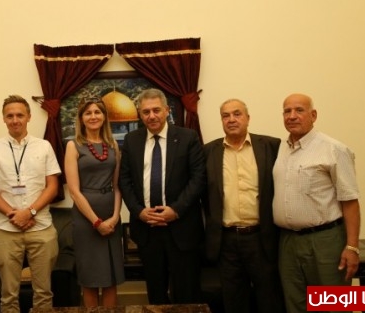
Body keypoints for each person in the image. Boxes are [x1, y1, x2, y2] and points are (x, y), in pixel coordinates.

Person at [273, 93, 361, 313]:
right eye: (287, 111)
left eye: (299, 110)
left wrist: (352, 247)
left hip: (325, 241)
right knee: (295, 304)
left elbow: (350, 201)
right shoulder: (281, 149)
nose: (292, 116)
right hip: (288, 242)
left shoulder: (333, 149)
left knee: (335, 305)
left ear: (313, 115)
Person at [119, 88, 206, 304]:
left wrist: (175, 210)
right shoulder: (131, 140)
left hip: (182, 228)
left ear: (167, 110)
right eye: (146, 112)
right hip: (147, 230)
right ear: (140, 115)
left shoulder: (187, 137)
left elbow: (198, 179)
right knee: (156, 295)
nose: (152, 116)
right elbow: (125, 180)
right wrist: (138, 212)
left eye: (156, 110)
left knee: (186, 296)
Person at [0, 94, 60, 313]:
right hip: (6, 230)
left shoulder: (44, 146)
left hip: (41, 228)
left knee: (44, 293)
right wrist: (14, 214)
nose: (15, 120)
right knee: (8, 296)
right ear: (3, 119)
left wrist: (30, 212)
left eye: (20, 115)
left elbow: (52, 186)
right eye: (10, 116)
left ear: (29, 117)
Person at [203, 99, 285, 313]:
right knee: (234, 300)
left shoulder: (271, 146)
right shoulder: (209, 151)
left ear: (248, 118)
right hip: (226, 240)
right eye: (226, 115)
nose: (231, 119)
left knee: (269, 298)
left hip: (262, 238)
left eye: (237, 114)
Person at [64, 97, 125, 307]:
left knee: (111, 277)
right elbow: (74, 191)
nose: (93, 116)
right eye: (88, 113)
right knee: (89, 278)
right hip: (86, 219)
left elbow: (117, 186)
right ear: (81, 118)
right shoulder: (73, 146)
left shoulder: (113, 145)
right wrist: (96, 222)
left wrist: (115, 217)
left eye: (97, 112)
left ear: (104, 117)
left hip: (111, 215)